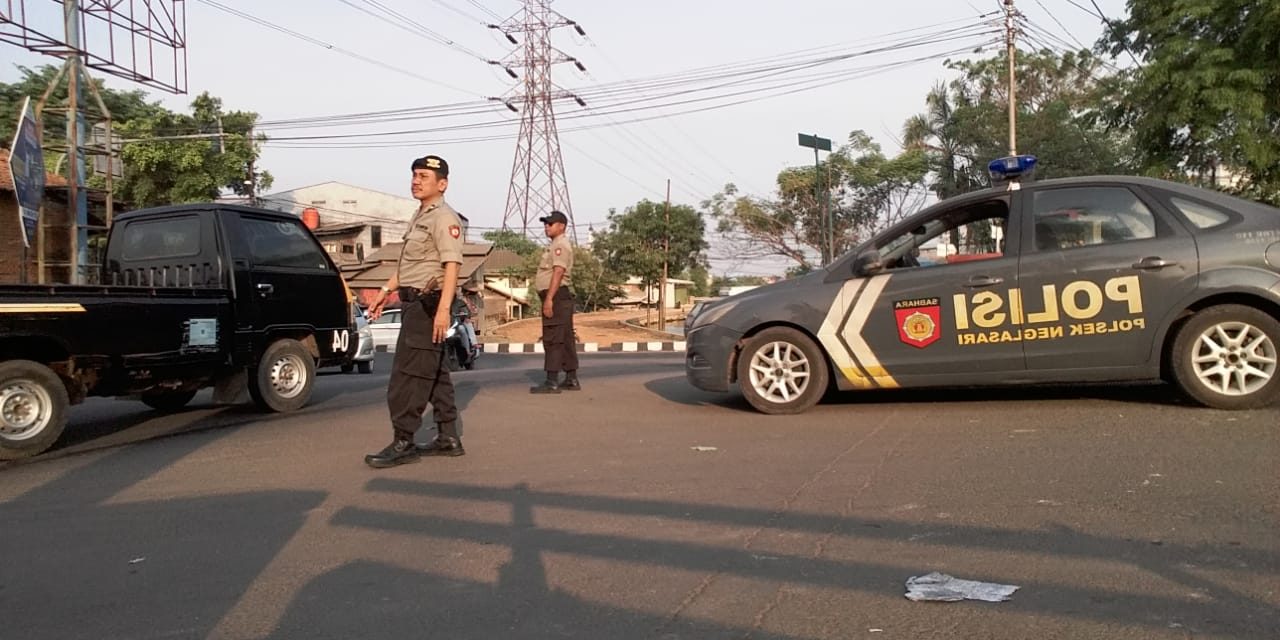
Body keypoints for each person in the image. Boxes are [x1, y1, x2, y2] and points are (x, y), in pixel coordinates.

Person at [364, 154, 466, 468]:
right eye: (414, 175)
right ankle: (448, 437)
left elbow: (452, 266)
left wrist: (443, 310)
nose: (416, 181)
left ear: (442, 183)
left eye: (423, 176)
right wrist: (384, 291)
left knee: (407, 378)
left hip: (428, 306)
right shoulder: (420, 215)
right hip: (414, 302)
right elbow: (410, 267)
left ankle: (403, 441)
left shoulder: (443, 218)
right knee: (435, 375)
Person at [530, 210, 579, 394]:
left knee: (552, 338)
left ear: (562, 226)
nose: (546, 227)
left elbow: (558, 272)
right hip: (560, 296)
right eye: (545, 224)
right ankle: (571, 378)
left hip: (557, 296)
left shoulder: (560, 245)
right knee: (565, 338)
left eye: (550, 224)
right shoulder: (555, 245)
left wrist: (549, 299)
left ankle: (552, 381)